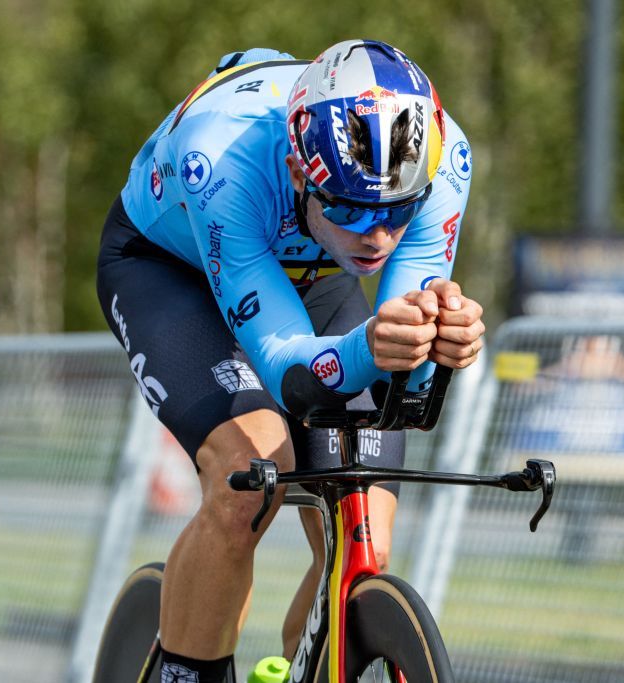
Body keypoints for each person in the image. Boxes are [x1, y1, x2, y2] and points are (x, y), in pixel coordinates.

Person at [96, 39, 483, 683]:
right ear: (303, 173)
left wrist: (438, 342)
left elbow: (401, 366)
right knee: (248, 473)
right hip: (171, 267)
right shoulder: (220, 155)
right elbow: (288, 366)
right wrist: (376, 347)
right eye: (354, 208)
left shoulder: (442, 158)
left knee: (367, 534)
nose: (378, 237)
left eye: (397, 214)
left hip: (315, 272)